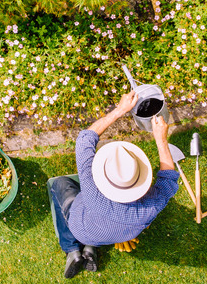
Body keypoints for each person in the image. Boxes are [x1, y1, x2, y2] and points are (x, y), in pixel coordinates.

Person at [50, 91, 179, 279]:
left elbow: (85, 138)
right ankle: (90, 250)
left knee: (60, 184)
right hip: (111, 236)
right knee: (95, 228)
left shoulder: (90, 185)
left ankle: (72, 250)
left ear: (101, 175)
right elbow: (168, 180)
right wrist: (161, 139)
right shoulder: (149, 209)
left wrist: (119, 110)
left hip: (82, 226)